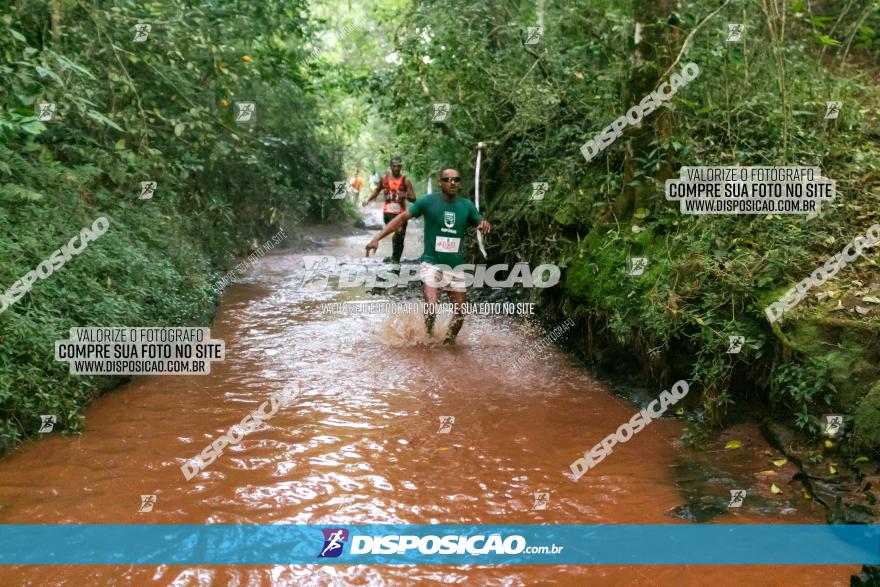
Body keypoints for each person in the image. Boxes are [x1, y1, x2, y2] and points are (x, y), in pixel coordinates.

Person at [366, 168, 492, 345]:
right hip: (431, 263)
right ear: (440, 183)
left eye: (456, 179)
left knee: (460, 315)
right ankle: (429, 337)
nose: (453, 182)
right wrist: (377, 238)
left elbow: (480, 220)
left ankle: (448, 343)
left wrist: (484, 224)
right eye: (448, 180)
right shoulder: (428, 202)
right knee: (432, 307)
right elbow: (402, 218)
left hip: (455, 267)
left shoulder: (466, 206)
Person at [362, 156, 416, 264]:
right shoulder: (384, 179)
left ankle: (395, 260)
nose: (396, 168)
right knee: (399, 231)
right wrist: (367, 200)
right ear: (391, 166)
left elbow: (413, 198)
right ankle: (395, 260)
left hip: (401, 214)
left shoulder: (405, 181)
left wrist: (405, 194)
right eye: (394, 166)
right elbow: (377, 191)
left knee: (400, 237)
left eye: (398, 166)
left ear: (401, 167)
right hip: (388, 213)